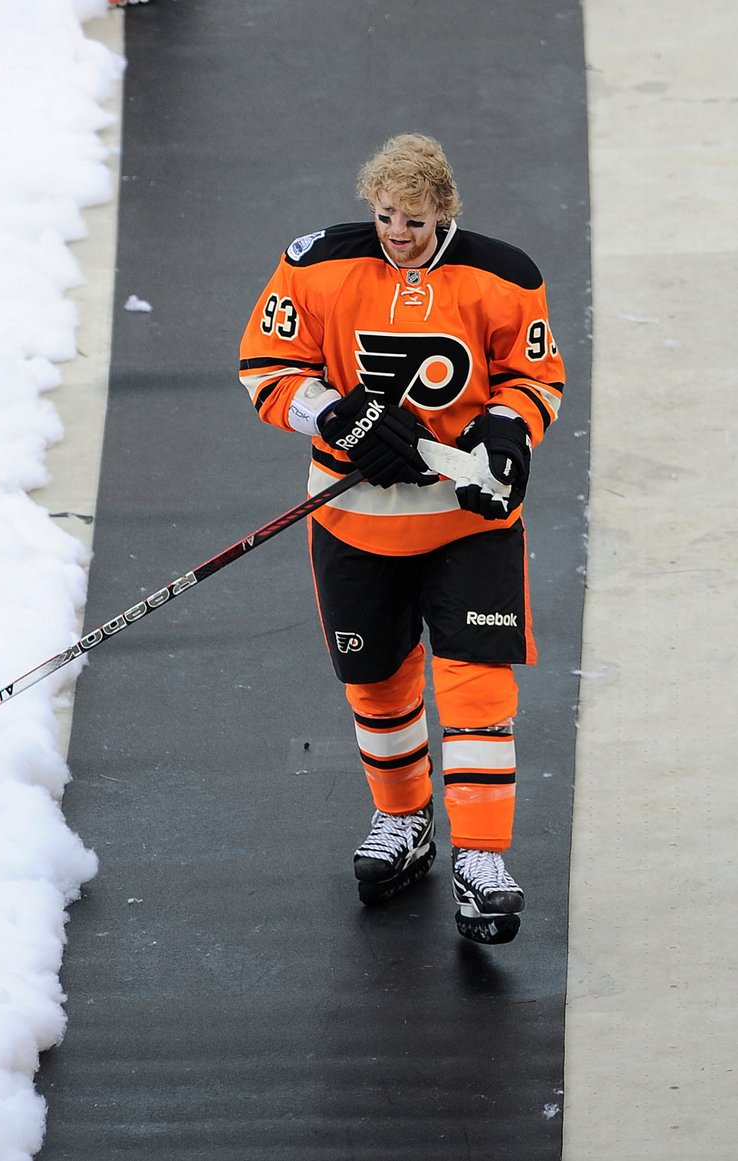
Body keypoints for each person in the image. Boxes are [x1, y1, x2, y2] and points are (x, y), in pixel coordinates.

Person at [238, 133, 564, 945]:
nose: (397, 233)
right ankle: (403, 821)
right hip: (354, 523)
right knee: (378, 691)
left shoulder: (505, 275)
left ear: (444, 211)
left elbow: (535, 379)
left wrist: (505, 430)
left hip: (467, 519)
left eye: (414, 221)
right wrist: (336, 413)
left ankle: (482, 858)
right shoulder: (313, 266)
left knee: (477, 692)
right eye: (385, 216)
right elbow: (265, 366)